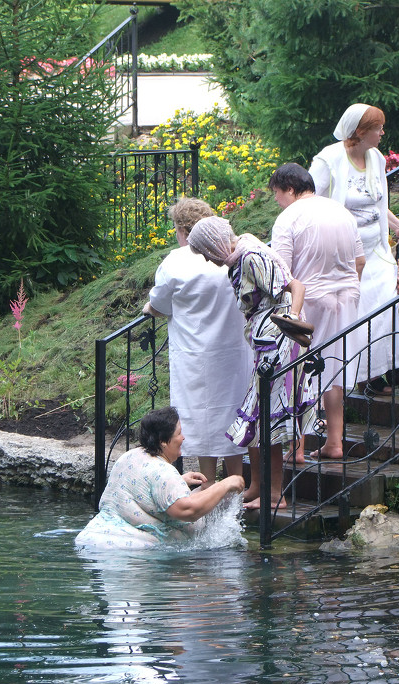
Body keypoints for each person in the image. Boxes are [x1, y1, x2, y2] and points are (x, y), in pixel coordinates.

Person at [186, 215, 314, 510]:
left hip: (279, 345)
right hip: (266, 344)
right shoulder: (240, 257)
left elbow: (296, 287)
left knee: (269, 415)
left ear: (214, 245)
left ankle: (274, 494)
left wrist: (291, 321)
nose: (207, 260)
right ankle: (260, 487)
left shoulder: (251, 256)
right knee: (262, 416)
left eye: (206, 253)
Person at [142, 197, 252, 489]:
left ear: (181, 230)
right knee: (232, 411)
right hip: (233, 350)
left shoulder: (175, 262)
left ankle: (208, 484)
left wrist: (149, 310)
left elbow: (159, 303)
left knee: (202, 417)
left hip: (195, 354)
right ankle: (236, 479)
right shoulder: (230, 255)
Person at [308, 103, 399, 395]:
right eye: (378, 128)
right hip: (344, 256)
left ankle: (376, 373)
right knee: (358, 314)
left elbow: (377, 200)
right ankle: (353, 375)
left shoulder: (376, 157)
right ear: (360, 132)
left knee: (383, 312)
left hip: (376, 252)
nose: (382, 132)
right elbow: (308, 202)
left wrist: (395, 224)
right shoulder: (329, 159)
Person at [269, 163, 365, 461]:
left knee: (300, 370)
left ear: (290, 189)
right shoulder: (341, 211)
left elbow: (282, 270)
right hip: (346, 296)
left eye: (277, 193)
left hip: (310, 299)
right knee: (335, 368)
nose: (276, 201)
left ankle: (296, 447)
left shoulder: (289, 217)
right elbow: (360, 260)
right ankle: (334, 442)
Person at [75, 406, 245, 549]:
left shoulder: (129, 456)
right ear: (164, 441)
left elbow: (141, 487)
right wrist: (226, 484)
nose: (183, 437)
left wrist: (180, 481)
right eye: (179, 433)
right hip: (132, 555)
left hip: (92, 541)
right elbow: (188, 511)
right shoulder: (164, 473)